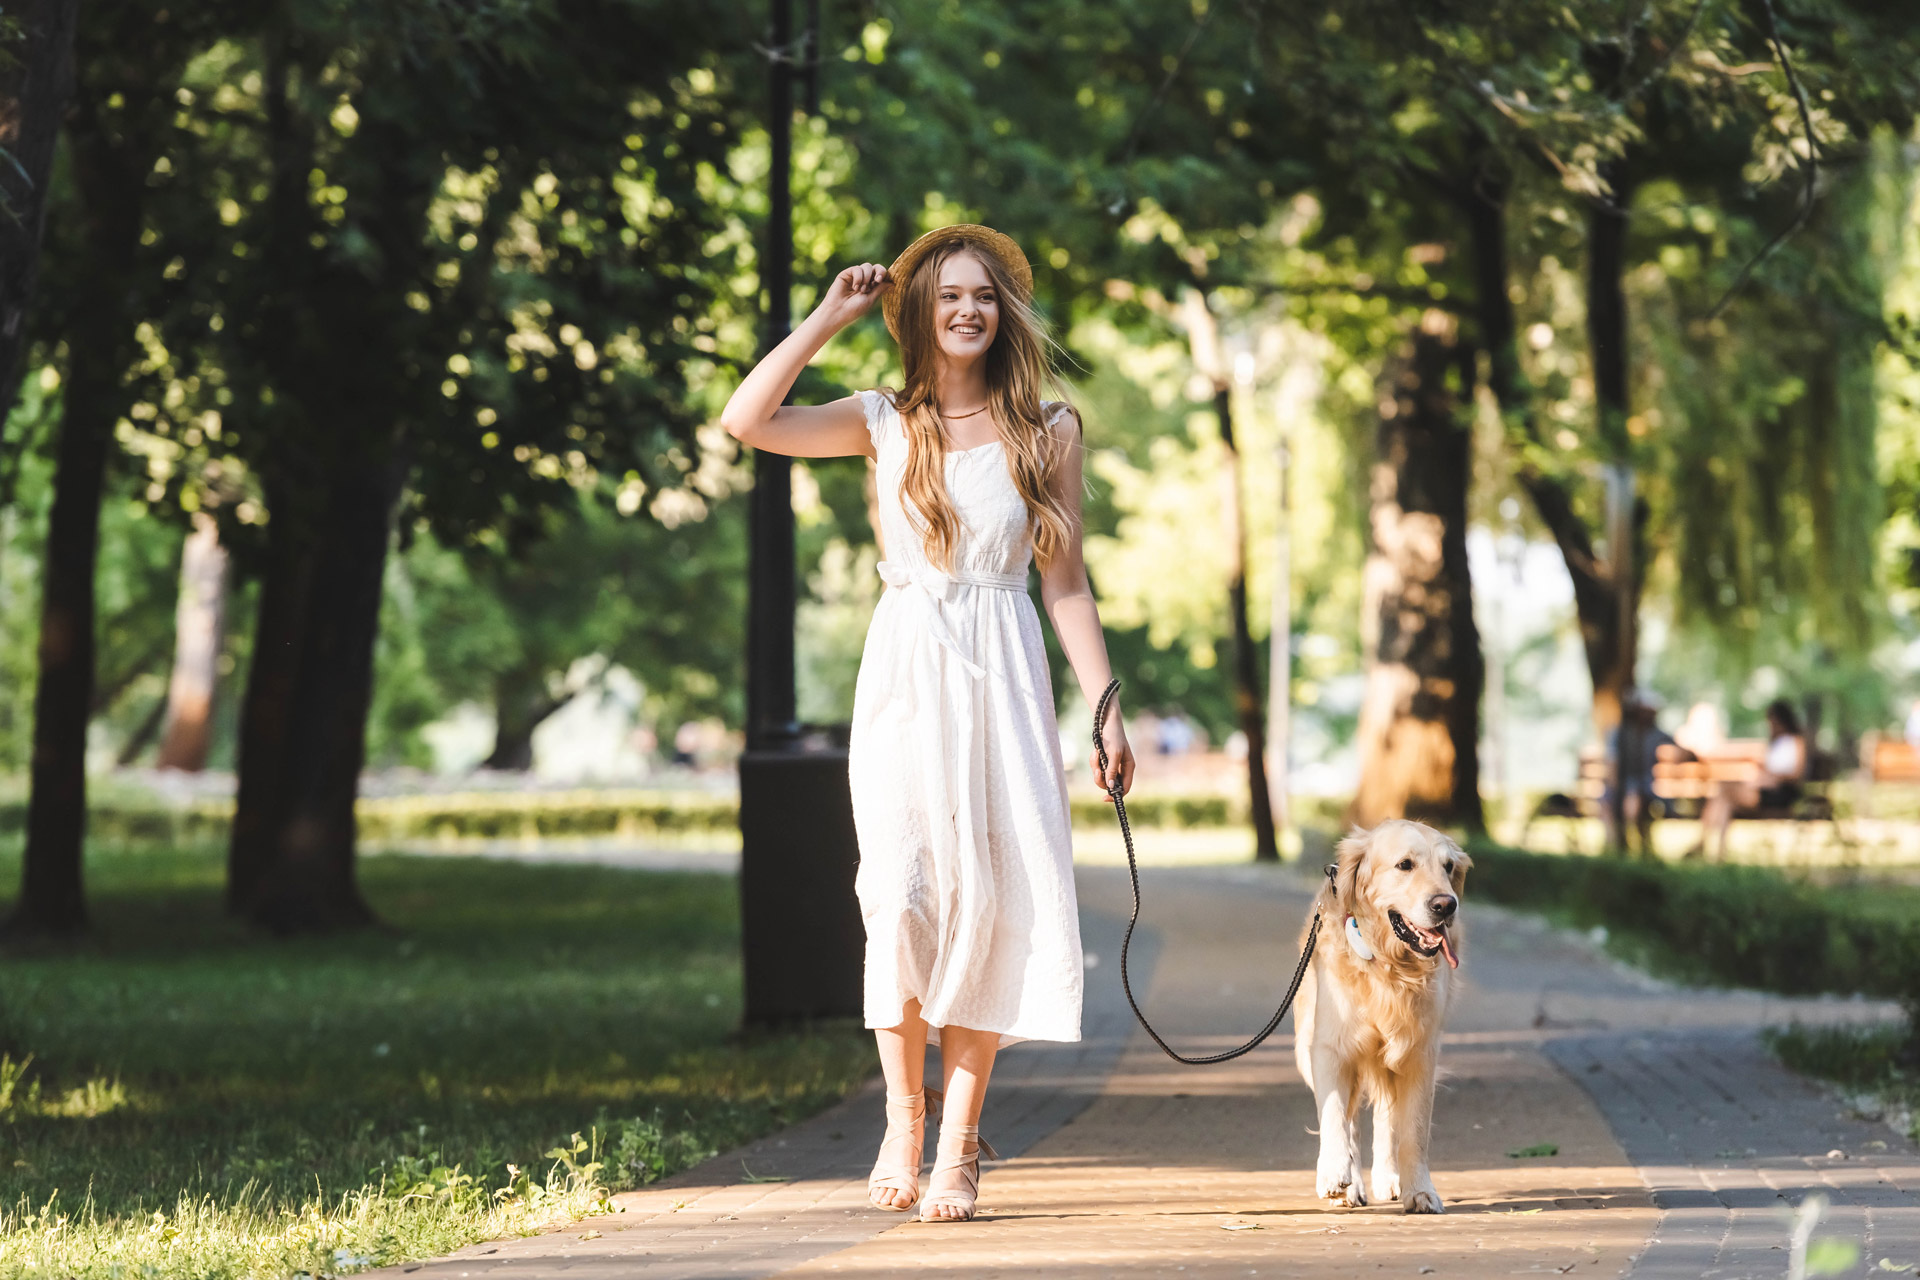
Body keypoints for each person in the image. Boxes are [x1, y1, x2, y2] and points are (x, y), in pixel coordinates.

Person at [719, 224, 1135, 1223]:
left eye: (984, 294)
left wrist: (1107, 707)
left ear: (1005, 313)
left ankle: (960, 1142)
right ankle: (903, 1117)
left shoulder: (1050, 431)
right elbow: (747, 419)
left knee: (984, 899)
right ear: (921, 310)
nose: (966, 308)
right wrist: (826, 316)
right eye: (948, 293)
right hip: (907, 673)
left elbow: (1067, 584)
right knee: (900, 896)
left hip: (1002, 671)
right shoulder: (880, 420)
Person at [1692, 698, 1806, 860]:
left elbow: (1796, 775)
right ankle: (1718, 853)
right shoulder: (1775, 744)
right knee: (1725, 801)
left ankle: (1702, 841)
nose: (1770, 724)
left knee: (1724, 790)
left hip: (1780, 793)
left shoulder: (1796, 742)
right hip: (1764, 789)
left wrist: (1774, 776)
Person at [1602, 690, 1690, 855]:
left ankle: (1636, 849)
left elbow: (1682, 750)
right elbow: (1612, 763)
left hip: (1646, 786)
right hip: (1622, 786)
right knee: (1608, 799)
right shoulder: (1619, 734)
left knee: (1633, 796)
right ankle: (1615, 846)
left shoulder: (1656, 735)